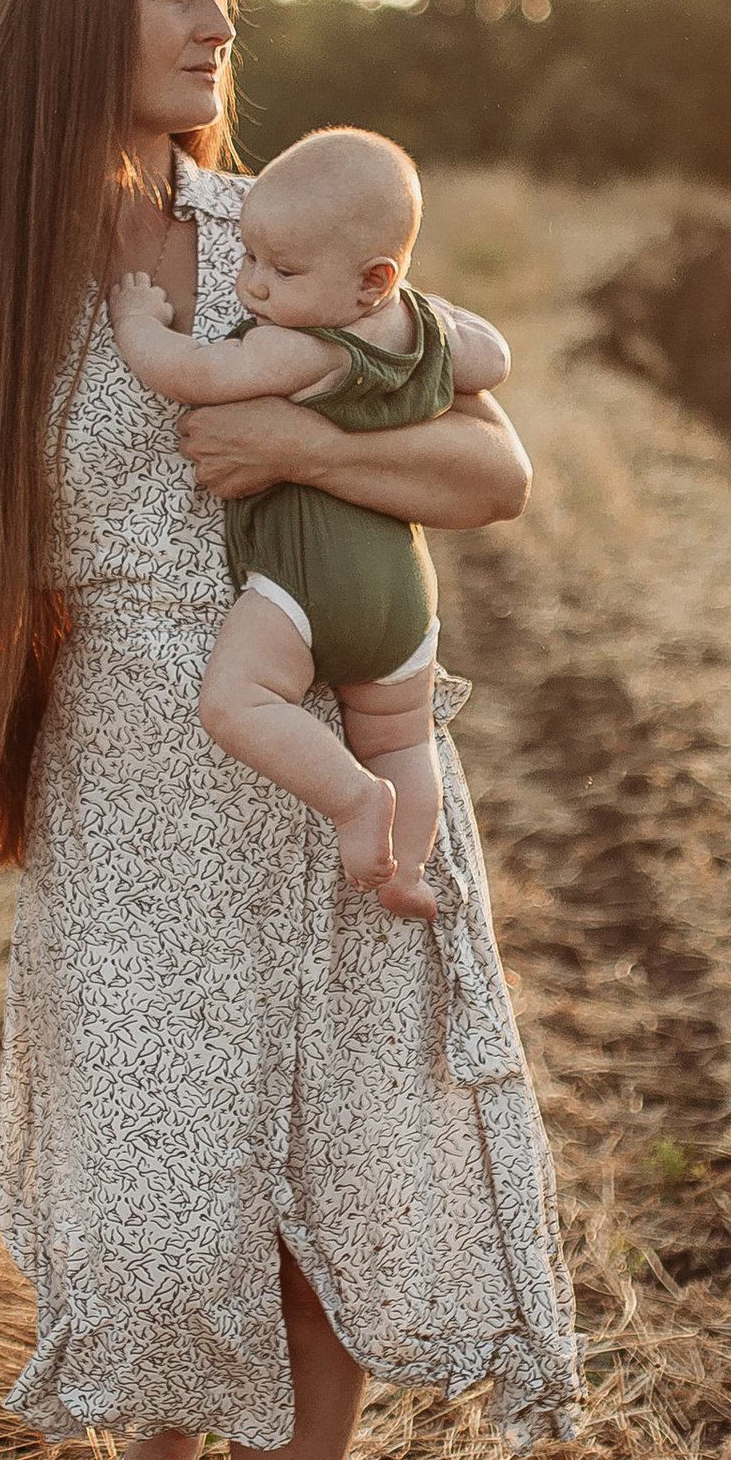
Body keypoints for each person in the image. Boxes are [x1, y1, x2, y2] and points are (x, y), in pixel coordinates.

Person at [0, 0, 580, 1460]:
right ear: (71, 17)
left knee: (330, 1213)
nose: (213, 19)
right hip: (137, 795)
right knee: (183, 1191)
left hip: (338, 771)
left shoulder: (281, 234)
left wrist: (302, 451)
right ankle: (166, 1407)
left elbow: (493, 467)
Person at [104, 124, 515, 924]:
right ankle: (408, 869)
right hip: (403, 601)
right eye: (249, 259)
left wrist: (137, 324)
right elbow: (492, 358)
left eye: (280, 270)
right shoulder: (423, 330)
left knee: (237, 702)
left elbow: (192, 372)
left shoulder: (303, 349)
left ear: (371, 280)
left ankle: (355, 802)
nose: (252, 286)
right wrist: (427, 311)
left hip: (309, 585)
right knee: (405, 741)